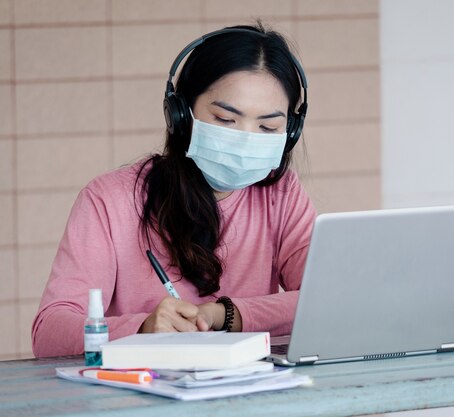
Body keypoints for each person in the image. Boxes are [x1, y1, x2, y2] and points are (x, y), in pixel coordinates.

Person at [31, 24, 316, 357]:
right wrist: (141, 329)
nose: (245, 138)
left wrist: (228, 315)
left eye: (268, 127)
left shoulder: (281, 194)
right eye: (225, 119)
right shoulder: (108, 199)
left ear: (290, 133)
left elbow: (327, 299)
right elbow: (49, 332)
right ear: (181, 115)